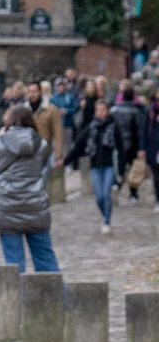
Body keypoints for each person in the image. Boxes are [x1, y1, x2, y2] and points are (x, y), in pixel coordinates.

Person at [0, 105, 61, 273]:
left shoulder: (0, 143)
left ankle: (18, 298)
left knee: (14, 263)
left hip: (6, 206)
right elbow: (42, 166)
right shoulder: (42, 145)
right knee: (45, 258)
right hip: (35, 205)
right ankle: (56, 297)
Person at [66, 99, 122, 233]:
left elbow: (121, 148)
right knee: (98, 196)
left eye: (103, 110)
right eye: (98, 110)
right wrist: (65, 161)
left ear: (107, 111)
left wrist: (121, 168)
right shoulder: (92, 127)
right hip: (95, 165)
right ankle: (105, 215)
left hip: (109, 165)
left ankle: (107, 222)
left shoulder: (114, 126)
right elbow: (79, 146)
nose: (100, 113)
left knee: (105, 193)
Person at [112, 83, 146, 200]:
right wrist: (141, 147)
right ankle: (133, 193)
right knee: (133, 169)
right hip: (132, 143)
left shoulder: (115, 110)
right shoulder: (136, 111)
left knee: (119, 168)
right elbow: (140, 130)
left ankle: (117, 186)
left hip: (118, 143)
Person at [26, 82, 65, 182]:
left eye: (35, 91)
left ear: (40, 92)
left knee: (42, 182)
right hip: (27, 153)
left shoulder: (51, 109)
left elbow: (58, 134)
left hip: (44, 153)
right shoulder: (24, 109)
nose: (32, 94)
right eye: (30, 92)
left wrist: (58, 155)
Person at [145, 90, 159, 209]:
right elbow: (145, 130)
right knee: (156, 176)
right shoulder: (151, 110)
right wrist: (142, 148)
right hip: (154, 146)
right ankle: (158, 199)